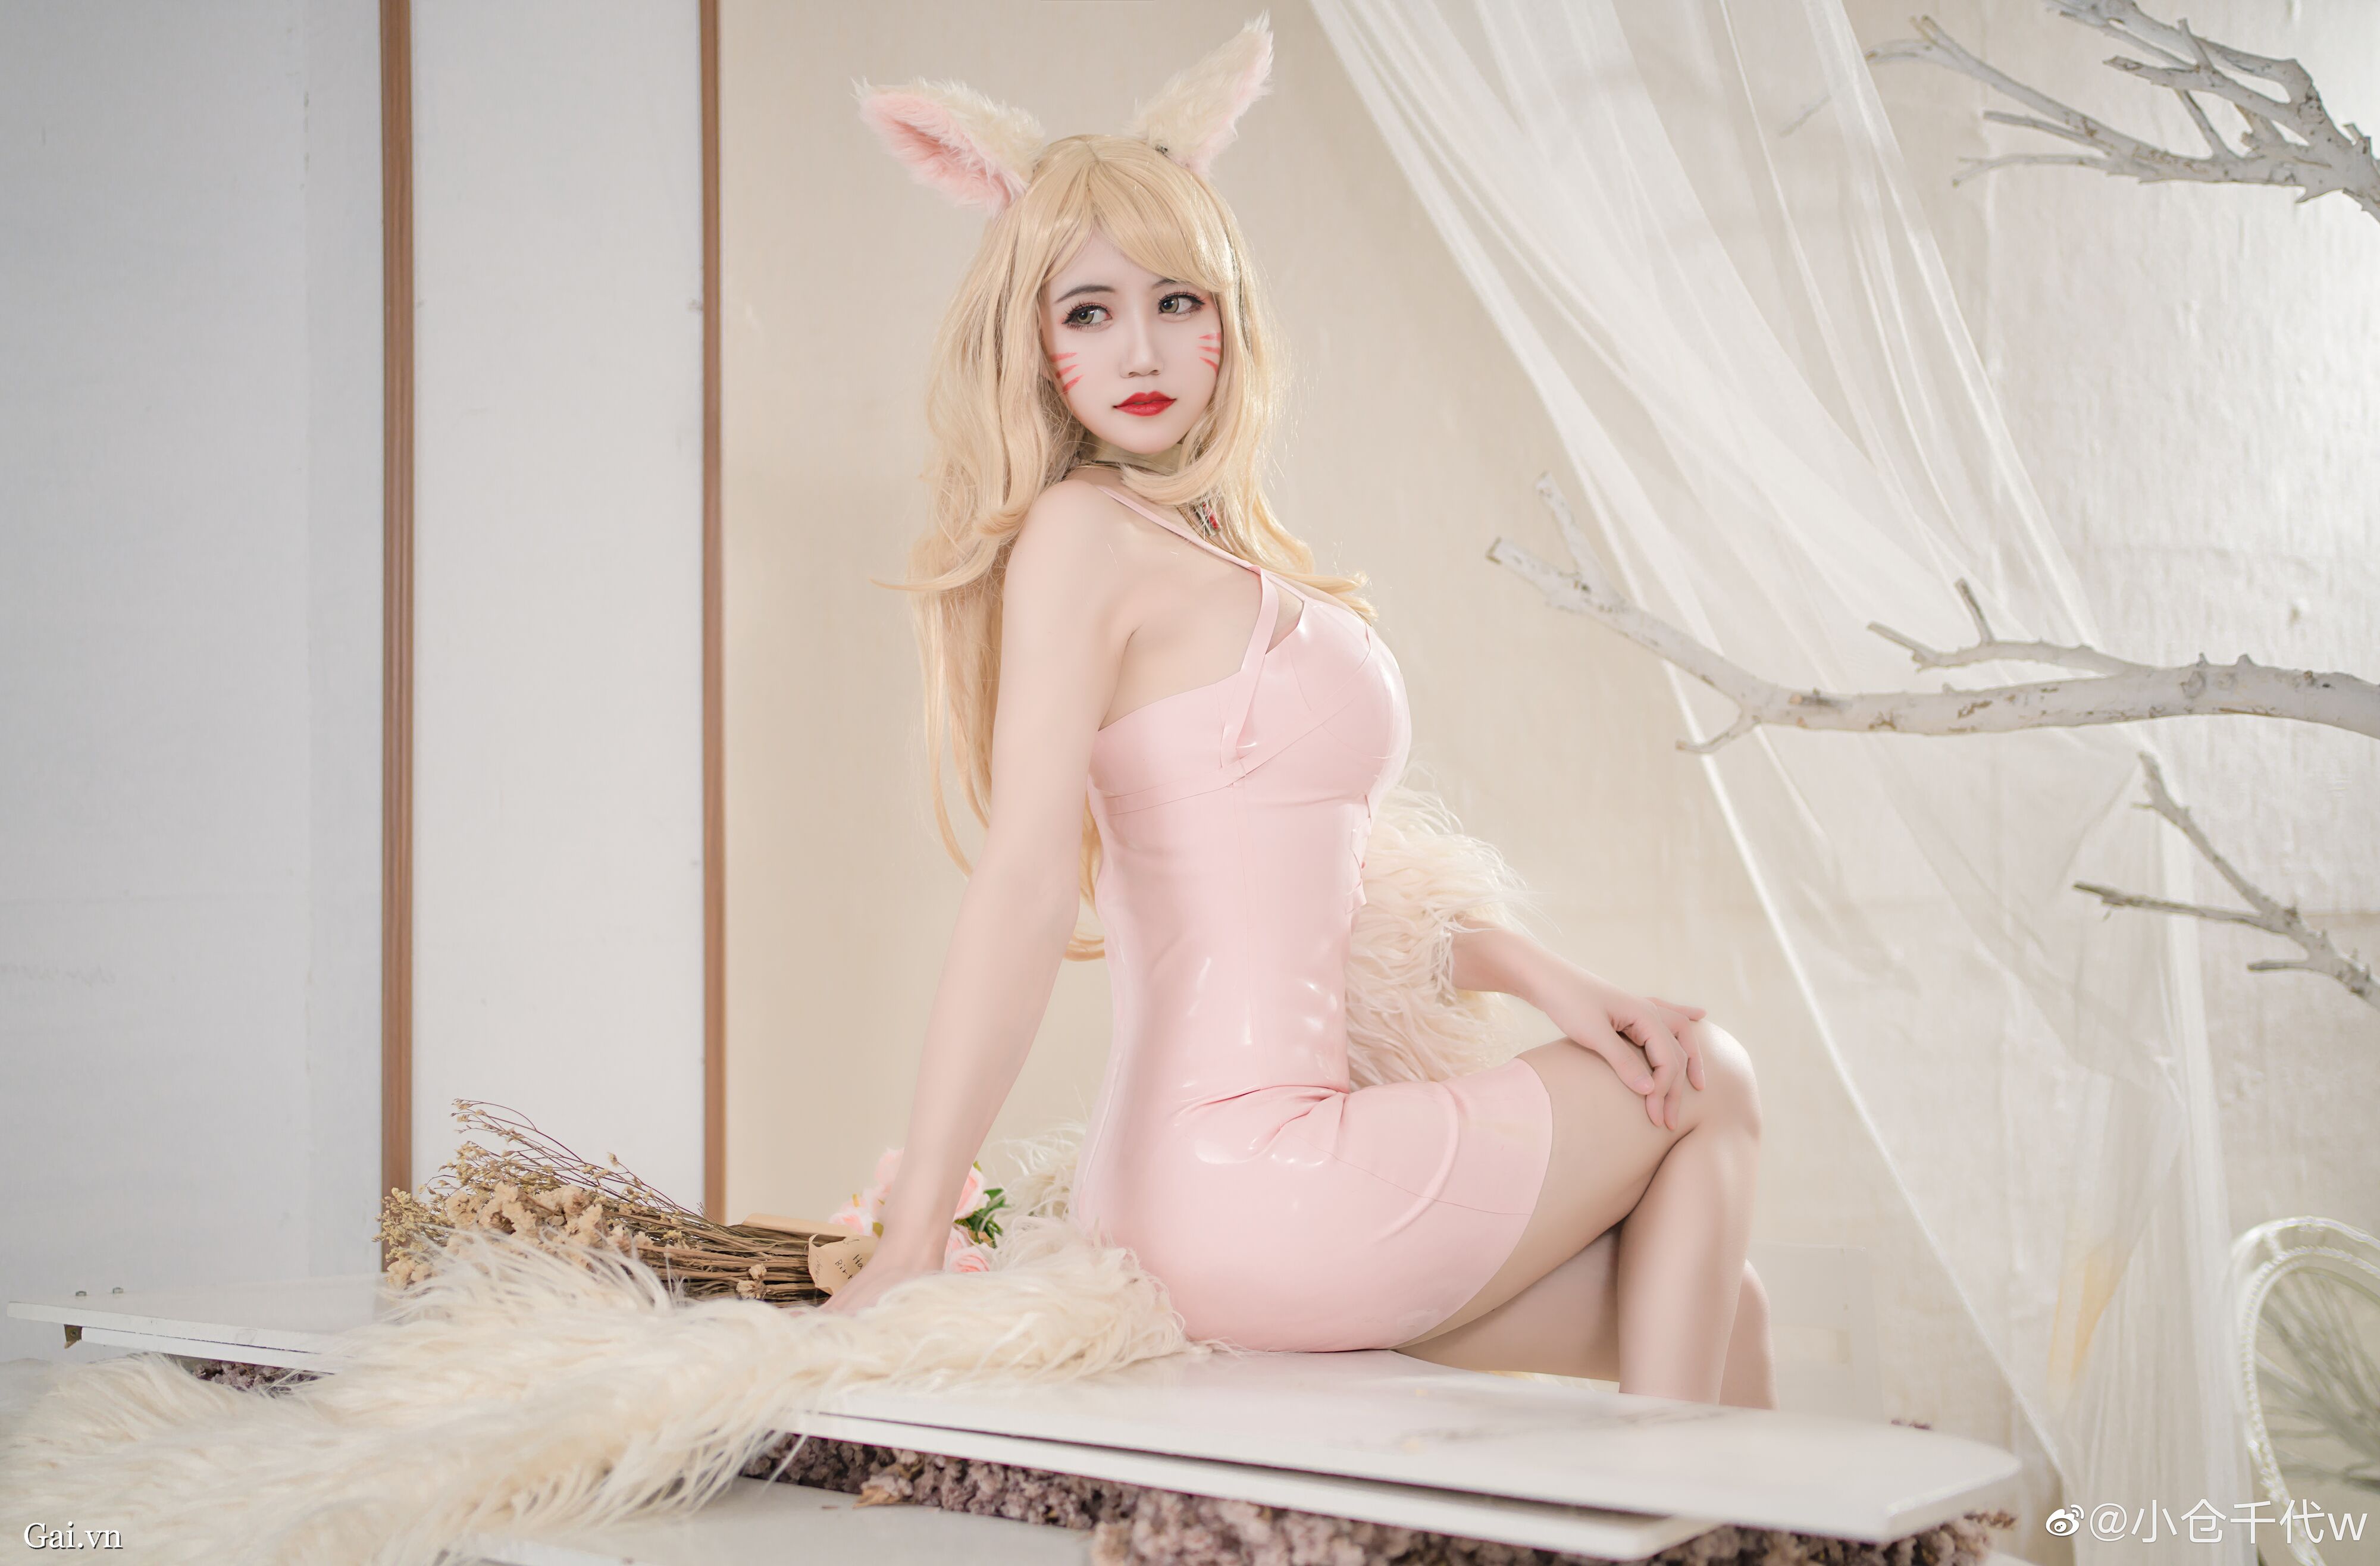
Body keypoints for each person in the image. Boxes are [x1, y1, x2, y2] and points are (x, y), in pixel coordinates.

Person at [825, 17, 1774, 1408]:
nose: (1140, 346)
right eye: (1087, 311)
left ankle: (1701, 1492)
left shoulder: (1201, 547)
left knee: (1719, 1308)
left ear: (1227, 320)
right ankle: (1671, 1501)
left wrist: (1550, 979)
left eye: (1176, 301)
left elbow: (1327, 893)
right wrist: (915, 1231)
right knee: (1712, 1074)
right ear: (1033, 344)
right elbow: (1023, 882)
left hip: (1204, 1203)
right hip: (1251, 1184)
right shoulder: (1083, 536)